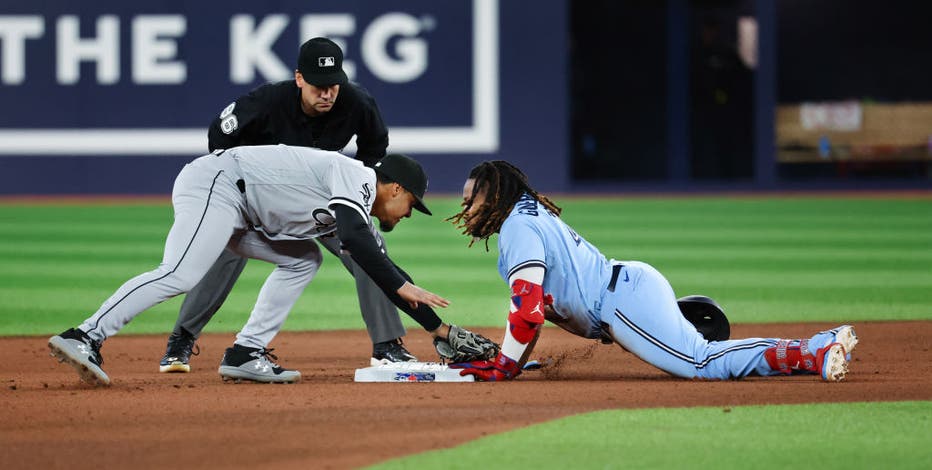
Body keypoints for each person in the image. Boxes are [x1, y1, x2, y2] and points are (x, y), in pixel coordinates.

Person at [48, 147, 491, 385]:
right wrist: (403, 287)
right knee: (180, 273)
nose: (408, 214)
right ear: (394, 187)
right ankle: (85, 335)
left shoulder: (352, 210)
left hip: (244, 209)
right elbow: (358, 242)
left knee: (302, 261)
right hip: (220, 185)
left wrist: (438, 330)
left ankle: (245, 352)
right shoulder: (355, 178)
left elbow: (374, 261)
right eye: (412, 204)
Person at [447, 161, 859, 382]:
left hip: (621, 303)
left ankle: (814, 350)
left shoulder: (518, 228)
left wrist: (505, 365)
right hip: (626, 292)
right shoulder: (526, 214)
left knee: (702, 363)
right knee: (697, 355)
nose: (466, 210)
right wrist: (513, 362)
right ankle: (813, 348)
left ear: (496, 194)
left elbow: (527, 311)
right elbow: (532, 313)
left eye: (472, 200)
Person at [159, 37, 416, 374]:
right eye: (318, 86)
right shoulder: (267, 101)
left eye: (333, 85)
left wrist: (357, 192)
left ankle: (387, 346)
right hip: (255, 194)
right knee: (225, 249)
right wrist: (237, 193)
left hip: (321, 198)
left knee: (366, 248)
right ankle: (181, 340)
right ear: (299, 79)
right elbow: (219, 138)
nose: (326, 93)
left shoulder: (356, 102)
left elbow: (374, 148)